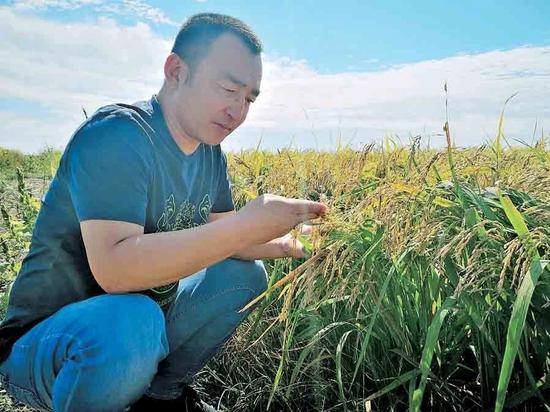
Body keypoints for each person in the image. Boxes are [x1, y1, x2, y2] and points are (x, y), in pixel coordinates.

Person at [0, 13, 327, 412]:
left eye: (249, 99)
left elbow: (229, 242)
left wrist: (291, 244)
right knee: (134, 318)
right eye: (229, 89)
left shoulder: (208, 154)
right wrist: (245, 225)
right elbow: (115, 269)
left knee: (241, 275)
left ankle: (161, 397)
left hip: (136, 331)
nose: (238, 111)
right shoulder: (117, 135)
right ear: (176, 71)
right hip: (46, 347)